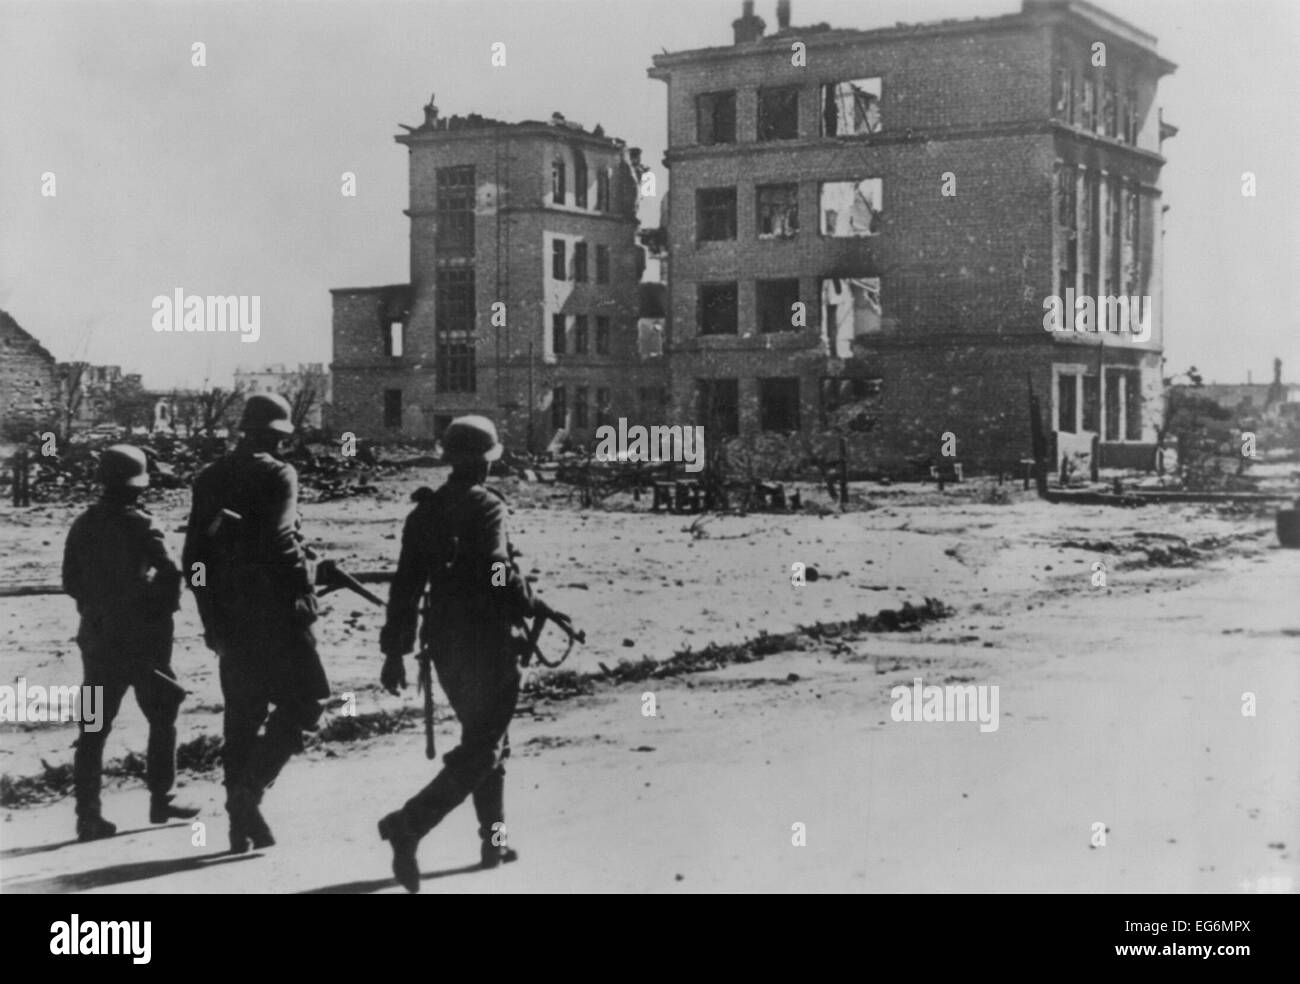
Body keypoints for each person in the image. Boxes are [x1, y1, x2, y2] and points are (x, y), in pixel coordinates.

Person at [376, 415, 573, 892]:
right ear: (487, 464)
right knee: (484, 746)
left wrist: (395, 652)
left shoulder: (424, 513)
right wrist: (531, 602)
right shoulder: (487, 507)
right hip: (488, 644)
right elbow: (496, 571)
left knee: (487, 742)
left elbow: (405, 589)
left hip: (443, 647)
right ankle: (410, 823)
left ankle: (494, 842)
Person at [182, 393, 330, 853]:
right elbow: (282, 543)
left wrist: (210, 615)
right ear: (278, 436)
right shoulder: (279, 473)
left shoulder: (209, 477)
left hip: (230, 618)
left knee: (241, 718)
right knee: (308, 702)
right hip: (279, 616)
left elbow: (194, 560)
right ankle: (250, 791)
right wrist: (304, 592)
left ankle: (238, 826)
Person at [62, 444, 197, 841]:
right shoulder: (142, 524)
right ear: (137, 486)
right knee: (163, 710)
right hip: (142, 641)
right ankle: (162, 797)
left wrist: (96, 609)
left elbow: (70, 581)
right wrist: (159, 610)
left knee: (92, 727)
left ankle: (87, 815)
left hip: (97, 639)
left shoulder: (82, 524)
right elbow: (173, 572)